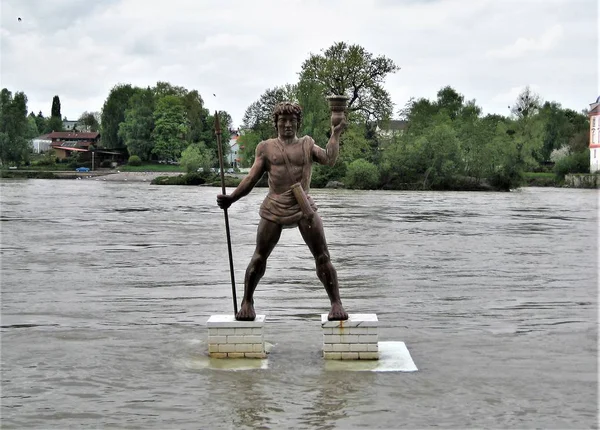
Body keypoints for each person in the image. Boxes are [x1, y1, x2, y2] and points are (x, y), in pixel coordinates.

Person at [217, 102, 348, 321]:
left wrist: (335, 134)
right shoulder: (266, 148)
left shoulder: (307, 144)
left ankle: (336, 303)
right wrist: (232, 198)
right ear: (276, 124)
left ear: (298, 124)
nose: (287, 125)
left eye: (292, 121)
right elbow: (251, 178)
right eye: (283, 121)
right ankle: (247, 301)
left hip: (303, 205)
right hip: (274, 206)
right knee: (259, 256)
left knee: (323, 256)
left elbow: (329, 159)